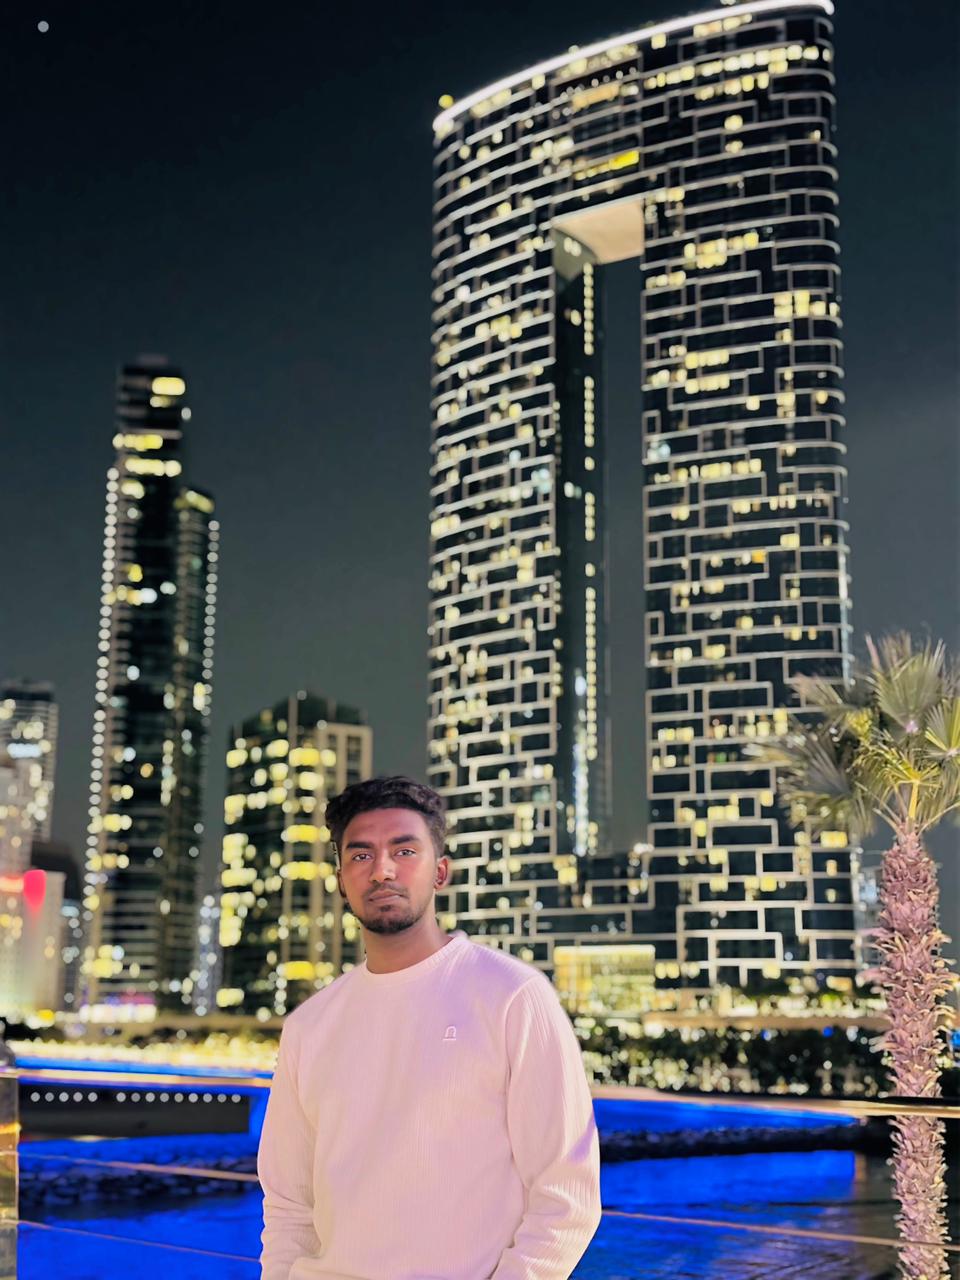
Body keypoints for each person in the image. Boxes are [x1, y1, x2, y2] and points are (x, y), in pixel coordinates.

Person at [258, 774, 602, 1280]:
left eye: (404, 851)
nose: (382, 870)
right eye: (361, 855)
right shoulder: (309, 1026)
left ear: (440, 871)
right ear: (341, 880)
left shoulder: (512, 997)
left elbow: (566, 1197)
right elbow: (289, 1205)